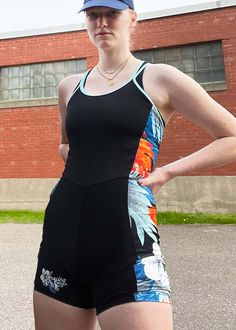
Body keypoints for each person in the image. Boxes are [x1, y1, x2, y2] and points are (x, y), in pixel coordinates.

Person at [33, 0, 236, 329]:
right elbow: (67, 145)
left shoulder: (158, 79)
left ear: (132, 18)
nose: (101, 22)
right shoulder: (69, 87)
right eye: (93, 15)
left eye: (111, 13)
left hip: (128, 240)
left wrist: (167, 171)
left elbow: (231, 137)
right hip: (63, 235)